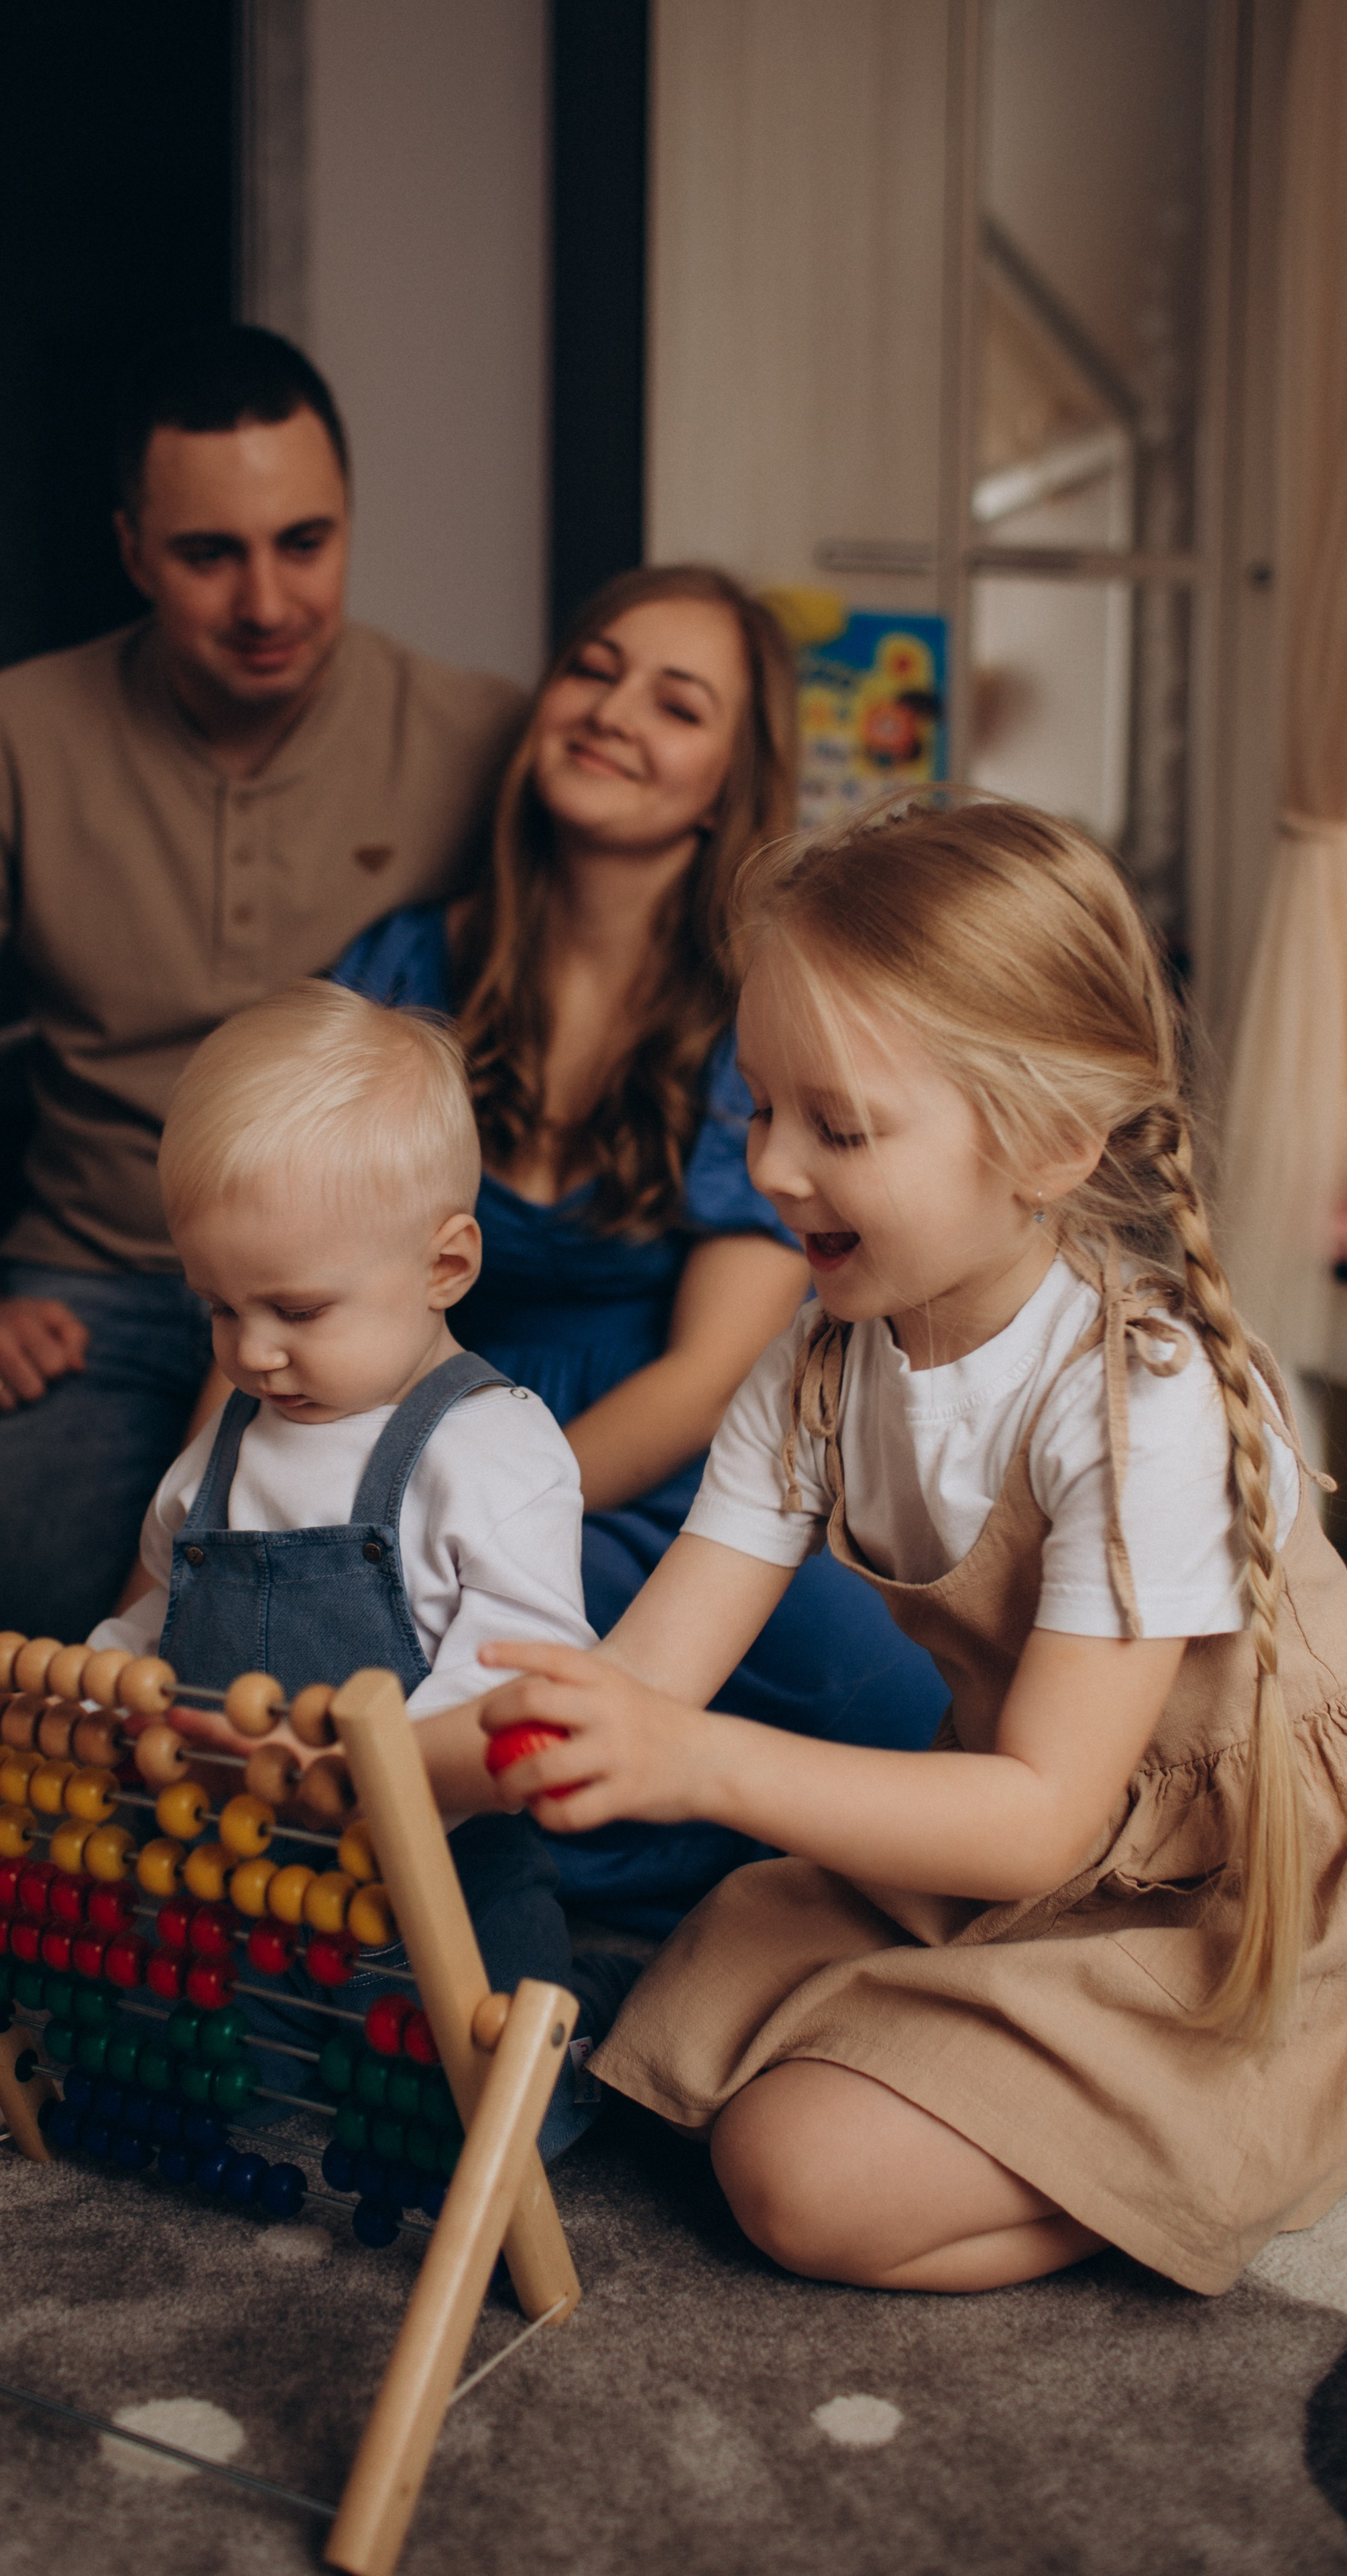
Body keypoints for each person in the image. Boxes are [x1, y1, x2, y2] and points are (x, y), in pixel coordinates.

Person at [467, 789, 1347, 2296]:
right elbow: (644, 1680)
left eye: (840, 1126)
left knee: (793, 2174)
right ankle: (1011, 2068)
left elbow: (1035, 1819)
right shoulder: (815, 1363)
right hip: (1021, 1853)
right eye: (757, 1105)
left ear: (1051, 1143)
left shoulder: (1139, 1402)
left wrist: (693, 1766)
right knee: (675, 2019)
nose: (772, 1166)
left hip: (1205, 1888)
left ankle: (1240, 2125)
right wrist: (353, 1757)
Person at [0, 326, 526, 1638]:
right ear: (134, 550)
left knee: (325, 1616)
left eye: (302, 542)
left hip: (358, 1274)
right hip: (92, 1278)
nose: (266, 601)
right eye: (210, 554)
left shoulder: (481, 738)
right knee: (12, 1613)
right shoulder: (10, 733)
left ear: (350, 524)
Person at [332, 564, 947, 1928]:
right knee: (400, 1711)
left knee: (899, 1716)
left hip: (668, 1460)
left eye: (674, 703)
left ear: (729, 781)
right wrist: (201, 1526)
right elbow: (284, 1270)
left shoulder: (756, 1018)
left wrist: (503, 1492)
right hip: (415, 1426)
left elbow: (713, 1367)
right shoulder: (395, 969)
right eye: (592, 670)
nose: (612, 713)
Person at [95, 979, 636, 2155]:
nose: (253, 1350)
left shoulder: (490, 1447)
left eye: (294, 1306)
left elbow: (517, 1681)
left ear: (445, 1266)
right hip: (245, 1880)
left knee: (484, 2126)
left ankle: (588, 2014)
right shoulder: (229, 1437)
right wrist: (103, 1676)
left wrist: (363, 1769)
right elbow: (159, 1604)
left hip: (434, 1895)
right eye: (218, 1309)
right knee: (177, 2087)